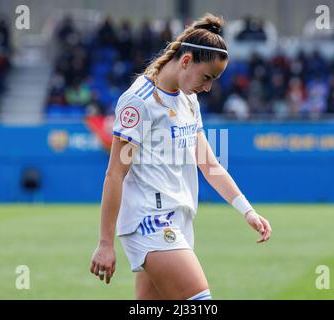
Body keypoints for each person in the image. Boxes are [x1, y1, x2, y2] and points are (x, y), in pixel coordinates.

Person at [89, 13, 272, 300]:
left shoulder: (189, 99)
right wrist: (105, 243)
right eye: (207, 77)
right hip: (150, 220)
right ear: (186, 61)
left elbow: (209, 165)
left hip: (180, 219)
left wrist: (247, 211)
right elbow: (115, 174)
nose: (209, 87)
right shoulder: (139, 102)